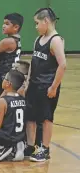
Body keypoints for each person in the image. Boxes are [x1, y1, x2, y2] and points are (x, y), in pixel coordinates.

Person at [25, 7, 66, 162]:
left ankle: (45, 149)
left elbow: (62, 65)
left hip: (47, 86)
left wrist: (54, 87)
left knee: (46, 118)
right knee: (30, 116)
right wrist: (28, 82)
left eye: (37, 23)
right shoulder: (38, 40)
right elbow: (33, 63)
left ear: (46, 21)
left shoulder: (55, 40)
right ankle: (30, 146)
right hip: (34, 85)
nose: (35, 26)